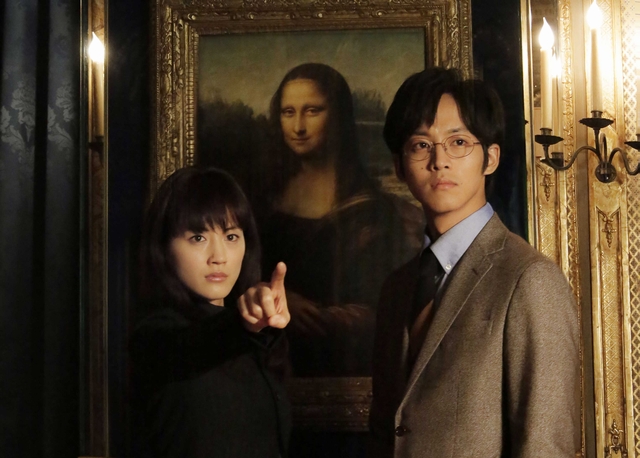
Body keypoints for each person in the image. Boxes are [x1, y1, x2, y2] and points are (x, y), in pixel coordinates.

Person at [368, 68, 581, 457]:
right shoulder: (396, 288)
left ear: (491, 158)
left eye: (459, 142)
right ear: (399, 165)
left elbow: (545, 446)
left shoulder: (530, 280)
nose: (439, 161)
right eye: (421, 145)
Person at [261, 62, 423, 377]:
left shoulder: (373, 211)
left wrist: (308, 314)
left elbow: (383, 312)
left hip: (344, 364)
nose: (298, 126)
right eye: (288, 112)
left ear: (337, 117)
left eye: (312, 111)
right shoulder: (266, 199)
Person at [129, 166, 291, 458]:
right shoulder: (154, 335)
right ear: (164, 248)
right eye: (198, 238)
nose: (219, 257)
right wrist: (243, 323)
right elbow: (190, 346)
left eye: (231, 237)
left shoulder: (258, 341)